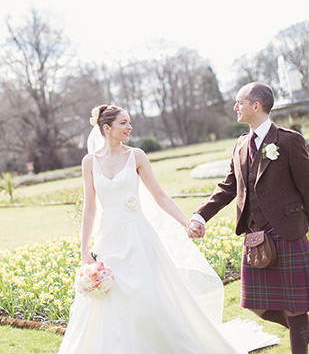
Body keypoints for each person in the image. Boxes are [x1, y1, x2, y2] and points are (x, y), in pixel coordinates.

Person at [57, 104, 250, 354]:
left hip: (137, 235)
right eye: (123, 123)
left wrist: (187, 221)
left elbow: (159, 195)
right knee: (108, 300)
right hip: (108, 239)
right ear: (106, 128)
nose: (129, 127)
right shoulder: (89, 162)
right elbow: (90, 208)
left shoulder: (136, 156)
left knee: (147, 297)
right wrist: (84, 251)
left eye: (129, 122)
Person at [188, 82, 309, 354]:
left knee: (295, 307)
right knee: (256, 304)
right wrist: (200, 215)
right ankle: (304, 330)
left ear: (256, 105)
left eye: (239, 102)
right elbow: (228, 186)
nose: (235, 108)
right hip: (255, 236)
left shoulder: (289, 140)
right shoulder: (241, 144)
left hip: (288, 232)